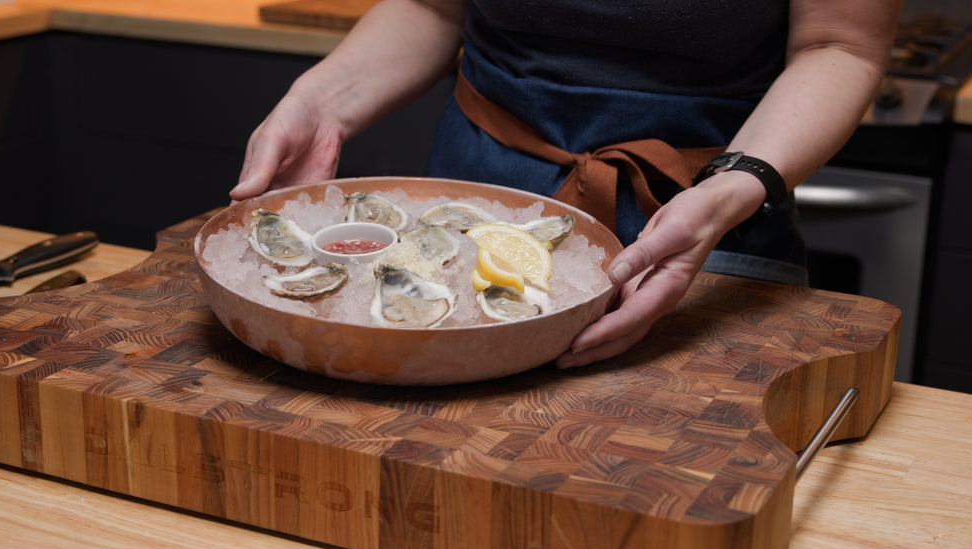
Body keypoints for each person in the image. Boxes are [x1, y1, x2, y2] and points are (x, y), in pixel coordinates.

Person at [230, 0, 902, 369]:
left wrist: (735, 185)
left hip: (705, 219)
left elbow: (840, 47)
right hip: (467, 212)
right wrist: (321, 100)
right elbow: (431, 8)